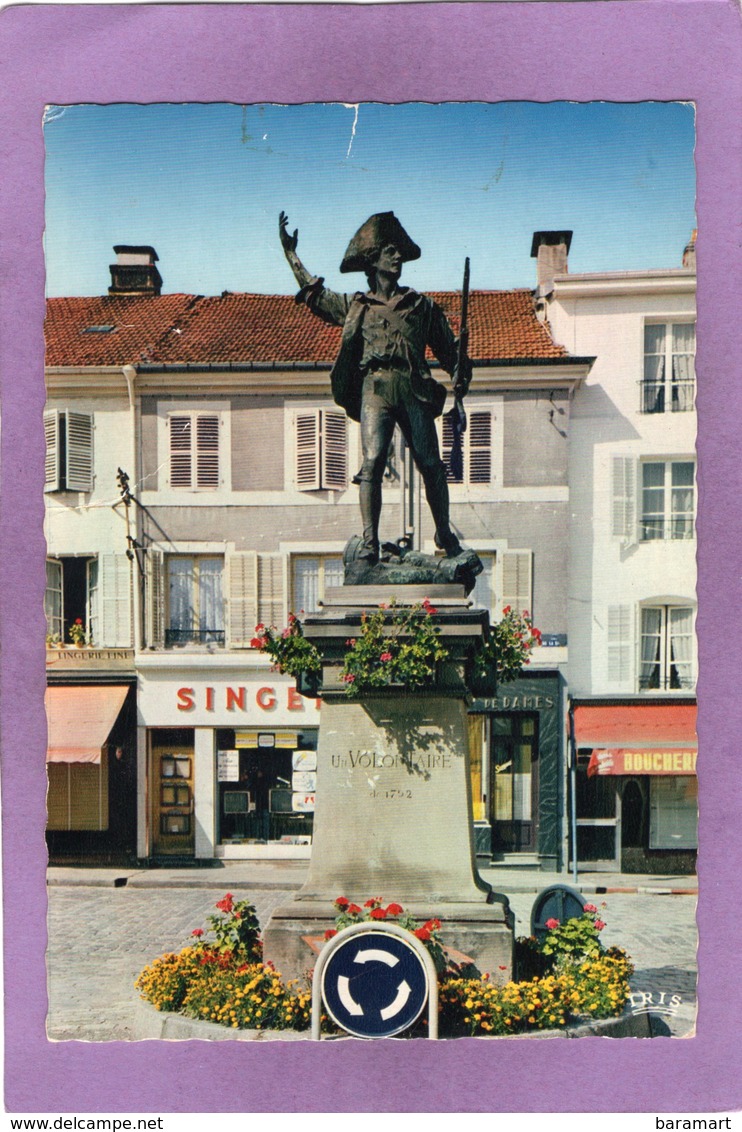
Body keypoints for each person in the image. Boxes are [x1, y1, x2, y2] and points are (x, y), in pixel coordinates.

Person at [279, 210, 471, 564]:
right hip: (375, 388)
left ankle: (444, 532)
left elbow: (450, 355)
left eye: (399, 251)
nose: (397, 257)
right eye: (389, 251)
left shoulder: (421, 306)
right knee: (372, 462)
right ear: (373, 260)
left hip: (412, 387)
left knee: (430, 464)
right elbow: (315, 296)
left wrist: (460, 369)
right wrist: (292, 255)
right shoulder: (356, 306)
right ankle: (370, 542)